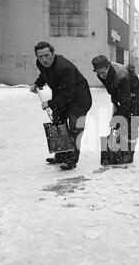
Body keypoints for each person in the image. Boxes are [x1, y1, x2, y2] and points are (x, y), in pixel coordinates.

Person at [30, 42, 92, 170]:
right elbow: (45, 74)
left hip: (79, 99)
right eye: (40, 56)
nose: (44, 59)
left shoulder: (65, 68)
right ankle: (60, 156)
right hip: (61, 96)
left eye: (47, 55)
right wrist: (37, 83)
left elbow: (68, 95)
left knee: (75, 129)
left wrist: (49, 103)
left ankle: (71, 160)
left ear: (53, 53)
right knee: (58, 125)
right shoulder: (40, 63)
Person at [91, 55, 139, 164]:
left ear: (108, 67)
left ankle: (129, 154)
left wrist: (116, 118)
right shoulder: (102, 74)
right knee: (120, 125)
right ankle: (120, 150)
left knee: (132, 125)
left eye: (103, 73)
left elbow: (126, 102)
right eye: (99, 73)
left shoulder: (122, 75)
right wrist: (115, 100)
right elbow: (112, 87)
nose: (101, 76)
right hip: (122, 96)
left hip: (135, 98)